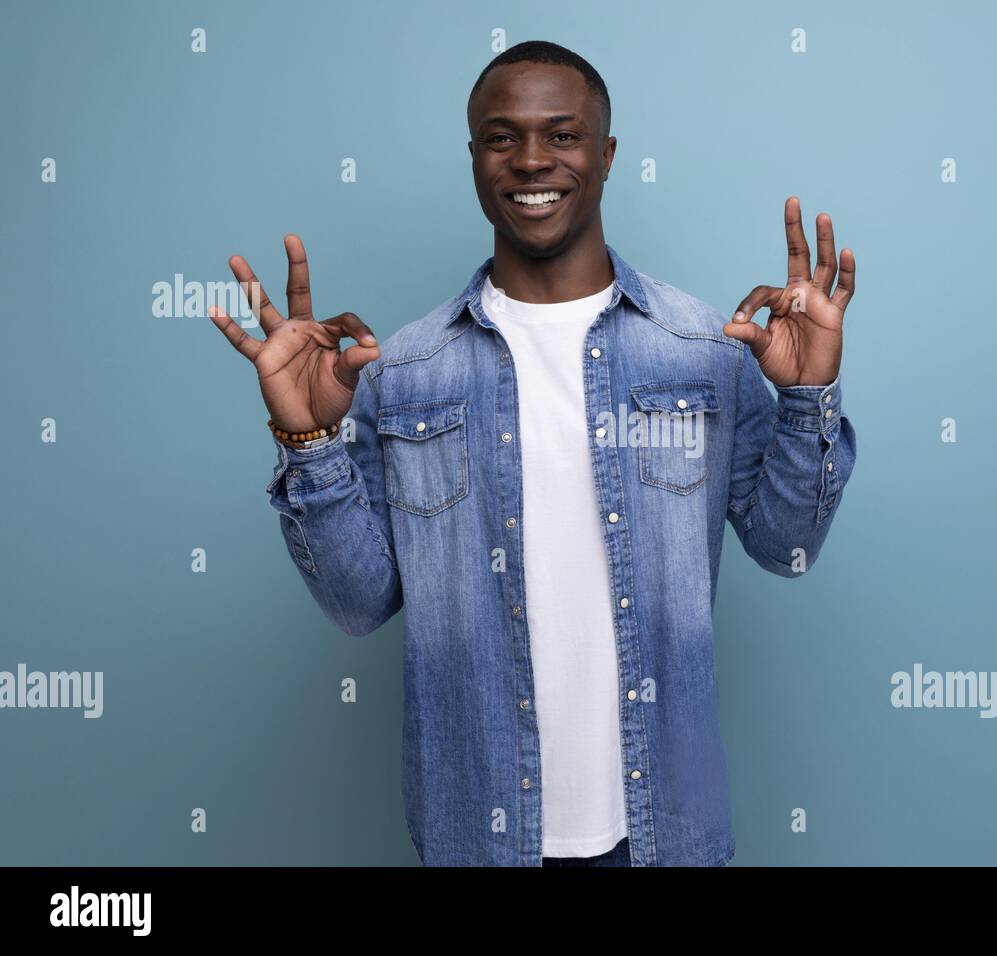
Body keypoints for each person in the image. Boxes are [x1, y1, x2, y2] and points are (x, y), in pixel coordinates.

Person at [208, 40, 858, 867]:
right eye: (501, 137)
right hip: (476, 831)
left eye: (562, 135)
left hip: (665, 833)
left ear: (607, 154)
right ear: (476, 158)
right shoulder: (403, 371)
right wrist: (309, 441)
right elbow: (357, 604)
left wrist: (807, 399)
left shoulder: (703, 349)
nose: (531, 160)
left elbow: (786, 547)